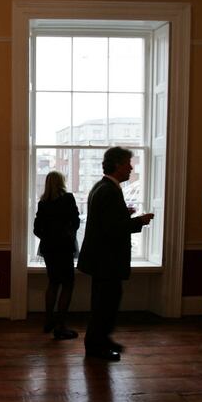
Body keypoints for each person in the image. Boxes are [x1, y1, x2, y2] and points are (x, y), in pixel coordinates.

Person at [77, 147, 154, 361]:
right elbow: (112, 229)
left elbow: (107, 220)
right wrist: (139, 220)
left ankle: (102, 340)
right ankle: (96, 347)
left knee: (106, 302)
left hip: (102, 259)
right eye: (128, 163)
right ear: (118, 164)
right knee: (104, 304)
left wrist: (124, 213)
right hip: (106, 260)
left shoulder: (103, 187)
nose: (131, 167)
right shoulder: (109, 190)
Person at [33, 171, 80, 340]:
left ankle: (48, 321)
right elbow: (76, 222)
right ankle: (61, 326)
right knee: (68, 284)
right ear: (62, 182)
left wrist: (49, 237)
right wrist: (66, 233)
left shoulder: (43, 203)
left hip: (49, 248)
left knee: (53, 282)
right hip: (65, 247)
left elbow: (36, 229)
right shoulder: (68, 198)